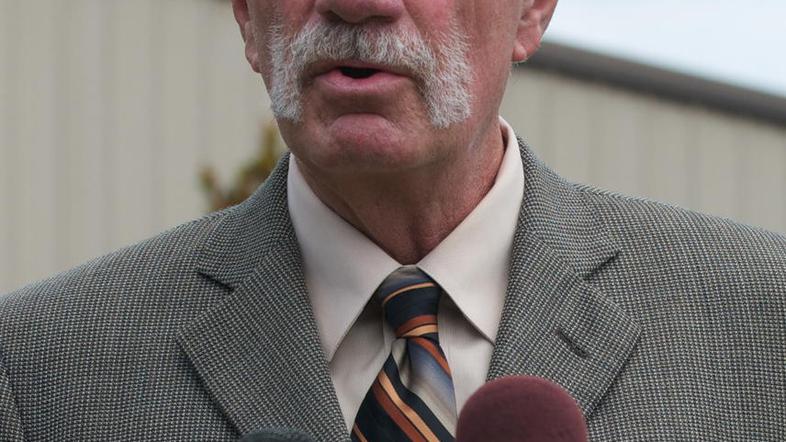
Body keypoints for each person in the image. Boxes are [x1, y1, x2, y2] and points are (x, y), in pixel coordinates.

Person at [1, 0, 784, 440]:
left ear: (532, 10)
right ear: (247, 16)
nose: (358, 3)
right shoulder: (43, 373)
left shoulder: (760, 332)